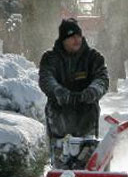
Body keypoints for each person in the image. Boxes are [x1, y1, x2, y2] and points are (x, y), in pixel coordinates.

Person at [39, 18, 109, 168]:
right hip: (59, 117)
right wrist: (58, 92)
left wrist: (93, 91)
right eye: (71, 37)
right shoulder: (50, 58)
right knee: (62, 161)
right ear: (63, 40)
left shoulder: (93, 58)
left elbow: (102, 78)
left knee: (86, 160)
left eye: (78, 35)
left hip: (86, 116)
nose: (76, 39)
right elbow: (46, 78)